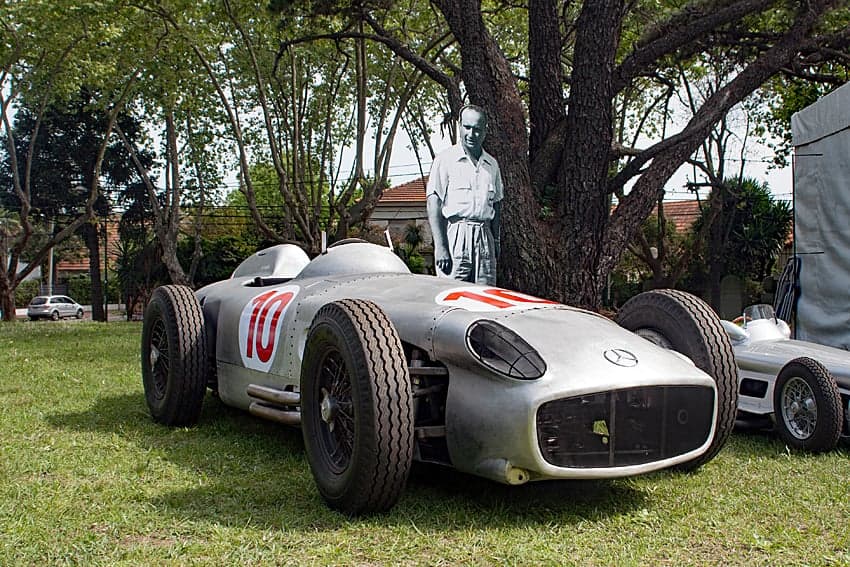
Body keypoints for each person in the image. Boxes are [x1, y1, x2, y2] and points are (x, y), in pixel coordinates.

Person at [426, 105, 503, 285]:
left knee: (486, 297)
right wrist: (441, 246)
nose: (471, 134)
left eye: (477, 130)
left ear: (485, 131)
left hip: (485, 236)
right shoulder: (445, 160)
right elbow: (433, 202)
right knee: (453, 293)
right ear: (460, 126)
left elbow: (497, 204)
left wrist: (496, 240)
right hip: (456, 234)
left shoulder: (491, 165)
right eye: (467, 127)